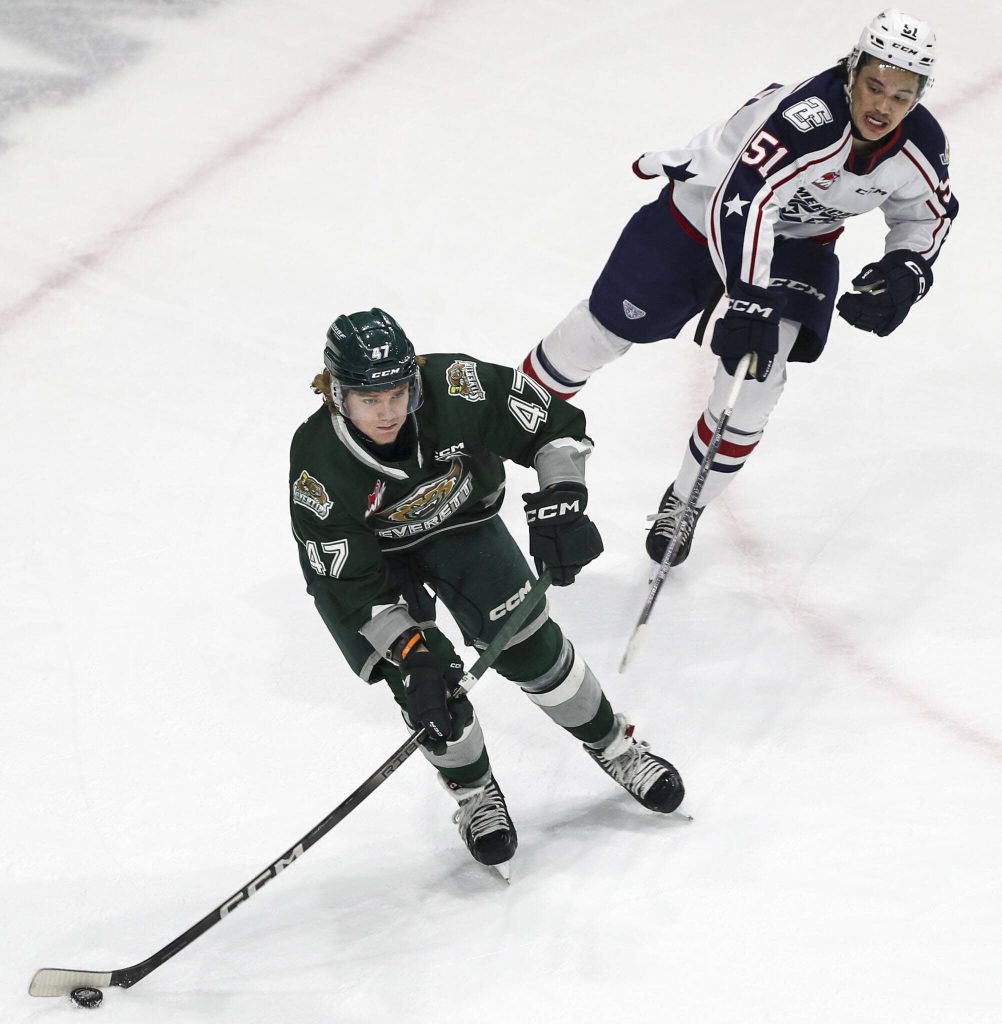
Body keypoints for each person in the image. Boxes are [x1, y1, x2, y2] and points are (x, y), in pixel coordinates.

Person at [519, 9, 958, 566]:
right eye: (874, 86)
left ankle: (686, 501)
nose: (883, 107)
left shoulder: (921, 142)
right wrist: (751, 300)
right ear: (853, 70)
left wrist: (908, 268)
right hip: (704, 211)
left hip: (798, 244)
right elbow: (743, 201)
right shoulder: (808, 119)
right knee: (599, 333)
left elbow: (928, 213)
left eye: (901, 96)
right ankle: (498, 424)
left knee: (755, 386)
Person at [289, 308, 685, 875]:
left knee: (531, 647)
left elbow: (553, 426)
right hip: (378, 567)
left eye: (398, 393)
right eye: (369, 400)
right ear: (337, 396)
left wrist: (562, 500)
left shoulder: (457, 385)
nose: (389, 411)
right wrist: (412, 653)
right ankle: (475, 794)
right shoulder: (318, 466)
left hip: (462, 525)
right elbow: (347, 582)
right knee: (427, 691)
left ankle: (615, 746)